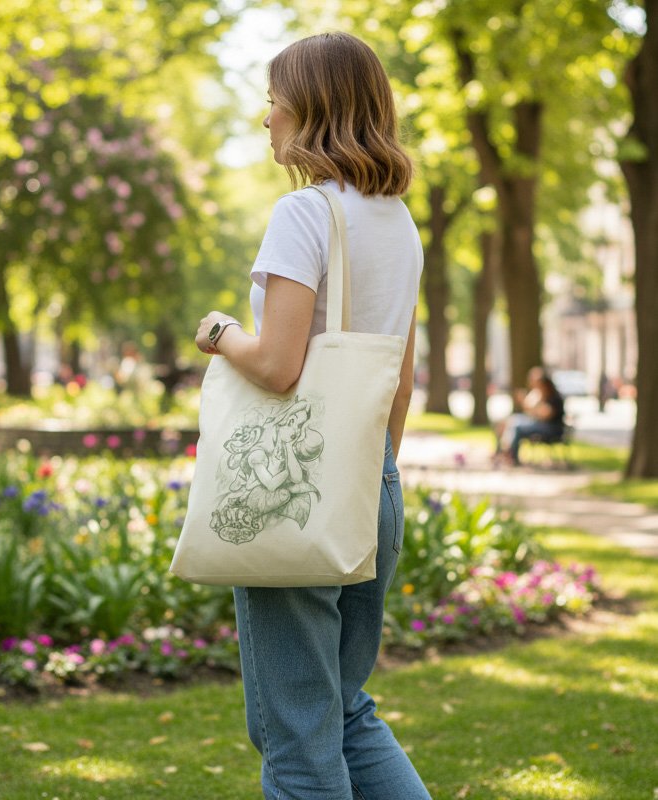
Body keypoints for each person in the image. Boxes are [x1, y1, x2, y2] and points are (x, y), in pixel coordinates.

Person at [194, 32, 432, 800]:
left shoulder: (303, 213)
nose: (267, 118)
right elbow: (399, 383)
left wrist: (221, 334)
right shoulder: (398, 223)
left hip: (290, 492)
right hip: (374, 483)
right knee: (346, 710)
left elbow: (278, 365)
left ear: (314, 104)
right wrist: (372, 475)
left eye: (275, 98)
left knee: (295, 734)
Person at [494, 366, 565, 466]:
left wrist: (531, 406)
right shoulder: (538, 393)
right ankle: (502, 451)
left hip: (552, 428)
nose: (533, 385)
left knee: (517, 427)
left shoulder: (553, 397)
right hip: (539, 424)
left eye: (535, 382)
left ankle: (511, 455)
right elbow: (530, 411)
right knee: (509, 421)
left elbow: (545, 415)